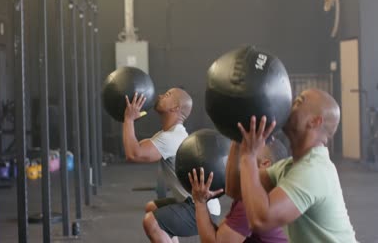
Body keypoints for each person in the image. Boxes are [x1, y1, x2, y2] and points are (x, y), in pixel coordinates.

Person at [233, 89, 357, 242]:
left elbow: (260, 220)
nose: (289, 105)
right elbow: (235, 189)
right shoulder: (289, 167)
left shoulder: (314, 170)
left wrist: (248, 156)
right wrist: (239, 135)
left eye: (298, 102)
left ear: (314, 121)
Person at [122, 88, 220, 243]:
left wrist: (128, 120)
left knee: (151, 222)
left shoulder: (172, 138)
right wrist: (129, 123)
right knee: (152, 207)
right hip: (193, 202)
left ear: (175, 108)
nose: (160, 95)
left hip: (202, 209)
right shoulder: (169, 134)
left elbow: (133, 154)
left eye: (167, 95)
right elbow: (135, 147)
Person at [189, 140, 289, 243]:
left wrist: (200, 202)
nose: (241, 155)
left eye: (249, 151)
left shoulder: (250, 202)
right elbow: (218, 235)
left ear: (264, 164)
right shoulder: (256, 193)